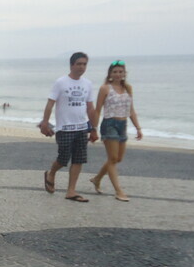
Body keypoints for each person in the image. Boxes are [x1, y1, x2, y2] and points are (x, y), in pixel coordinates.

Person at [39, 52, 99, 201]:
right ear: (72, 65)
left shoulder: (87, 84)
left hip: (82, 127)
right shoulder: (61, 82)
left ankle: (71, 191)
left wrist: (94, 128)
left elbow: (90, 108)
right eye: (79, 64)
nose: (82, 67)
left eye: (84, 64)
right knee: (63, 158)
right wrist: (45, 122)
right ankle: (52, 173)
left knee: (78, 160)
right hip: (64, 128)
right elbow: (50, 103)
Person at [89, 60, 142, 202]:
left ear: (124, 73)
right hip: (110, 124)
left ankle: (97, 179)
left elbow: (131, 110)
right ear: (110, 74)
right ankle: (119, 191)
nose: (118, 74)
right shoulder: (105, 88)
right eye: (115, 72)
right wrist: (93, 128)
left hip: (122, 124)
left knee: (118, 159)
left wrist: (138, 128)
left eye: (120, 72)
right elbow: (98, 109)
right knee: (112, 159)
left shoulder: (128, 88)